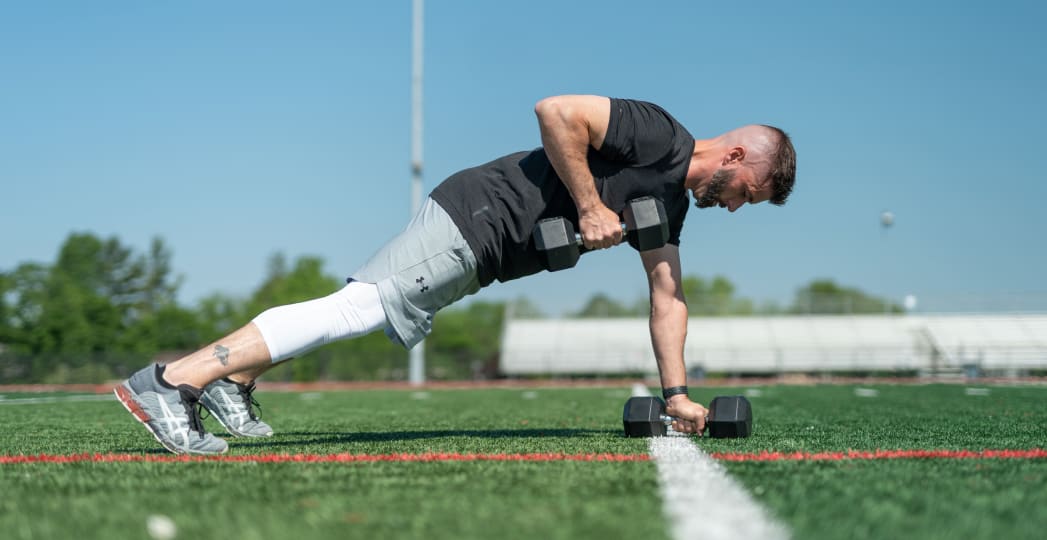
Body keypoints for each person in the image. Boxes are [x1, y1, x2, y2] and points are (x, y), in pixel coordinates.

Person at [114, 95, 797, 454]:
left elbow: (667, 298)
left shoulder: (669, 206)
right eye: (746, 192)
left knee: (361, 308)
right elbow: (555, 110)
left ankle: (235, 382)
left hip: (487, 251)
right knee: (359, 308)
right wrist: (589, 205)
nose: (735, 206)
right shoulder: (659, 133)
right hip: (479, 212)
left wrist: (675, 393)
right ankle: (174, 381)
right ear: (737, 155)